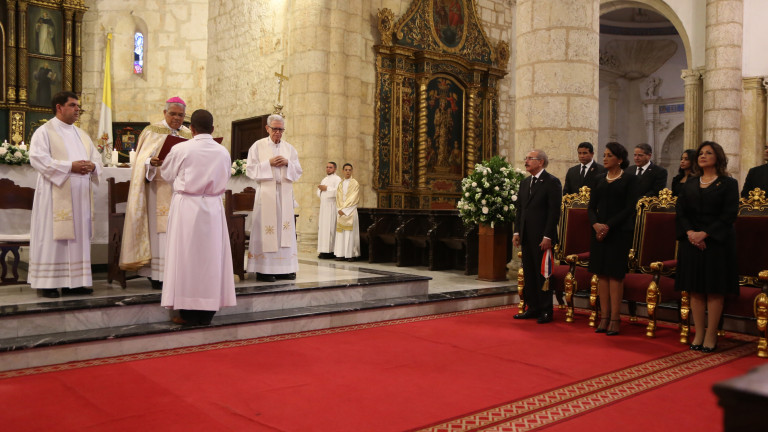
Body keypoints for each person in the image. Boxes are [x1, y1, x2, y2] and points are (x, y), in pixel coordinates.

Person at [159, 109, 236, 326]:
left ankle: (186, 312)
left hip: (187, 206)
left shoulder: (181, 147)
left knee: (186, 258)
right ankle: (207, 312)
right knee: (211, 258)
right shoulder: (223, 152)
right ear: (212, 129)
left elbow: (166, 174)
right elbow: (226, 177)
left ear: (191, 129)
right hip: (213, 206)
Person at [28, 91, 102, 298]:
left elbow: (98, 160)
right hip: (55, 194)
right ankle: (49, 282)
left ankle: (76, 282)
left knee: (78, 237)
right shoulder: (44, 132)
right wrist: (70, 167)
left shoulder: (82, 135)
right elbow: (38, 159)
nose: (77, 109)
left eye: (78, 106)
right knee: (54, 238)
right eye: (72, 105)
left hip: (80, 197)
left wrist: (92, 166)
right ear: (59, 108)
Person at [120, 97, 192, 290]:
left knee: (177, 230)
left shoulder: (187, 133)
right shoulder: (152, 131)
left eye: (180, 115)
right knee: (158, 231)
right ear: (164, 113)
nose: (177, 118)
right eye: (173, 114)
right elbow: (140, 161)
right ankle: (157, 274)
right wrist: (150, 162)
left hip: (180, 189)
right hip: (157, 188)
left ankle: (176, 271)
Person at [675, 141, 739, 353]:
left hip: (717, 243)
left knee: (713, 289)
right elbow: (681, 212)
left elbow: (729, 214)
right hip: (691, 242)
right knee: (695, 289)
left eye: (708, 153)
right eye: (701, 153)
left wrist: (706, 233)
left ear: (718, 157)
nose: (703, 156)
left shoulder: (728, 183)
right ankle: (699, 332)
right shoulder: (690, 183)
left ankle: (711, 335)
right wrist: (691, 233)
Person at [588, 142, 638, 336]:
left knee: (615, 275)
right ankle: (605, 317)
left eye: (609, 155)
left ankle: (616, 318)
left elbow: (629, 208)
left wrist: (608, 225)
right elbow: (591, 207)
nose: (605, 158)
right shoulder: (599, 178)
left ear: (619, 159)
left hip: (619, 232)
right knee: (601, 274)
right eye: (604, 155)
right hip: (599, 232)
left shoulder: (629, 179)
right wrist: (596, 225)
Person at [246, 114, 303, 282]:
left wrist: (287, 163)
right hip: (266, 193)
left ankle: (286, 268)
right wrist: (268, 163)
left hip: (284, 194)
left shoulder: (289, 149)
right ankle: (264, 269)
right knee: (266, 230)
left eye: (281, 129)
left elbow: (298, 171)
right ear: (267, 128)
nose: (278, 132)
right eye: (275, 129)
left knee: (284, 231)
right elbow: (250, 169)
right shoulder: (258, 146)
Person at [512, 149, 562, 324]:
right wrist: (517, 232)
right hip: (526, 236)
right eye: (526, 158)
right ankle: (532, 307)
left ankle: (546, 310)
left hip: (543, 238)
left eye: (530, 159)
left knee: (543, 275)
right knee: (529, 274)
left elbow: (554, 212)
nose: (526, 161)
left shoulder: (552, 182)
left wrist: (548, 235)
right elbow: (520, 209)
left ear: (540, 162)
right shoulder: (525, 183)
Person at [334, 163, 361, 261]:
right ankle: (340, 254)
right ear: (342, 171)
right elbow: (338, 197)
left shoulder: (355, 183)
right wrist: (339, 209)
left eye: (350, 170)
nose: (348, 172)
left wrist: (345, 210)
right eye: (346, 170)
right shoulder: (340, 184)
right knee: (341, 233)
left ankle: (350, 255)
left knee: (350, 233)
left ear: (352, 171)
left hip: (351, 211)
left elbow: (354, 197)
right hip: (341, 211)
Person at [316, 161, 341, 259]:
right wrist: (321, 190)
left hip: (331, 206)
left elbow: (338, 191)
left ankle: (330, 251)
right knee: (322, 228)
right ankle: (323, 250)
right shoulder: (324, 179)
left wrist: (326, 188)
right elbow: (318, 192)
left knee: (330, 228)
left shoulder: (337, 179)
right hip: (324, 207)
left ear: (335, 169)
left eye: (330, 167)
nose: (328, 169)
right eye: (327, 167)